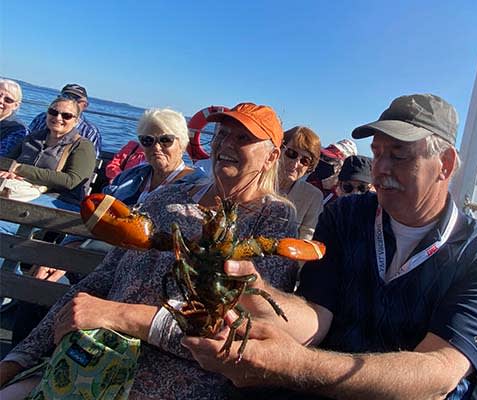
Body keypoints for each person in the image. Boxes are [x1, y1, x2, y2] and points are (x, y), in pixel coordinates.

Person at [181, 94, 477, 400]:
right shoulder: (344, 215)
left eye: (400, 155)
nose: (381, 169)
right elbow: (318, 314)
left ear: (446, 165)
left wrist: (294, 364)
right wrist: (253, 290)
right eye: (376, 153)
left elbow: (437, 375)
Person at [0, 102, 300, 400]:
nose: (226, 143)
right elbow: (101, 279)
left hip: (167, 381)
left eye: (243, 138)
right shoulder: (169, 196)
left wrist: (115, 314)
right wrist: (18, 359)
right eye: (222, 133)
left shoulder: (274, 219)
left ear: (272, 155)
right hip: (87, 356)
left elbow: (235, 331)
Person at [10, 108, 195, 347]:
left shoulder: (194, 187)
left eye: (165, 140)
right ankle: (22, 366)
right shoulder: (130, 177)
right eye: (147, 140)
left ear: (183, 142)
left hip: (134, 276)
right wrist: (64, 256)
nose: (156, 147)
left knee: (69, 302)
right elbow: (93, 218)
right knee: (38, 290)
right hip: (90, 259)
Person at [0, 96, 96, 212]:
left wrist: (20, 169)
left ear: (76, 121)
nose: (58, 118)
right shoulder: (32, 138)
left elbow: (72, 181)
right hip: (18, 190)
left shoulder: (83, 146)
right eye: (53, 112)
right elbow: (6, 161)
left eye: (66, 115)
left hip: (57, 200)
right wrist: (8, 172)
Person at [28, 84, 102, 156]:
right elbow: (26, 139)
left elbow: (89, 161)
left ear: (85, 106)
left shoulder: (90, 132)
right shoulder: (41, 118)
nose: (69, 102)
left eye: (76, 100)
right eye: (66, 97)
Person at [279, 126, 323, 240]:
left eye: (305, 161)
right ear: (279, 150)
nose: (295, 164)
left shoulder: (313, 196)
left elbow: (306, 239)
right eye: (291, 154)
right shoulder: (256, 179)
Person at [307, 138, 357, 206]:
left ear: (341, 167)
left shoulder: (341, 199)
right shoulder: (308, 178)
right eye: (322, 156)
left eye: (329, 159)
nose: (322, 160)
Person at [0, 79, 29, 157]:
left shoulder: (18, 130)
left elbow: (3, 156)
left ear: (15, 105)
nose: (1, 101)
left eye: (8, 100)